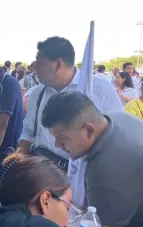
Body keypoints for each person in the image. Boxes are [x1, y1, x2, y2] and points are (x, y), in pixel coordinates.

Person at [16, 37, 122, 205]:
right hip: (45, 174)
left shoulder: (99, 89)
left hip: (86, 178)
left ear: (58, 64)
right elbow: (28, 132)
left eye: (40, 62)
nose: (34, 68)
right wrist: (17, 162)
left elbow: (116, 136)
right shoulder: (37, 94)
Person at [42, 91, 143, 227]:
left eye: (62, 138)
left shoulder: (109, 167)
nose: (58, 146)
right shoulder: (114, 117)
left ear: (89, 130)